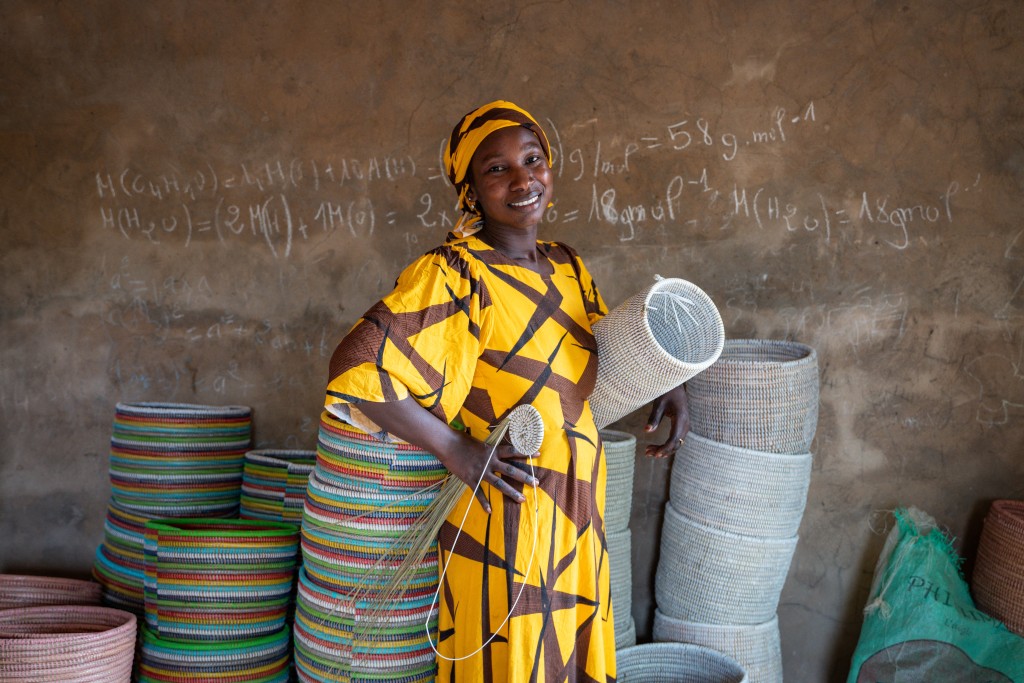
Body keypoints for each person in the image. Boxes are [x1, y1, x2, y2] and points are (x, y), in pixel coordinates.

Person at [324, 100, 689, 682]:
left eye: (533, 159)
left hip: (576, 512)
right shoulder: (455, 273)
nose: (522, 179)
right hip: (508, 514)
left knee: (568, 660)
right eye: (496, 168)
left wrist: (669, 383)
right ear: (469, 190)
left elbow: (600, 361)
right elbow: (357, 366)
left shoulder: (569, 267)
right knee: (509, 663)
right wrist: (454, 449)